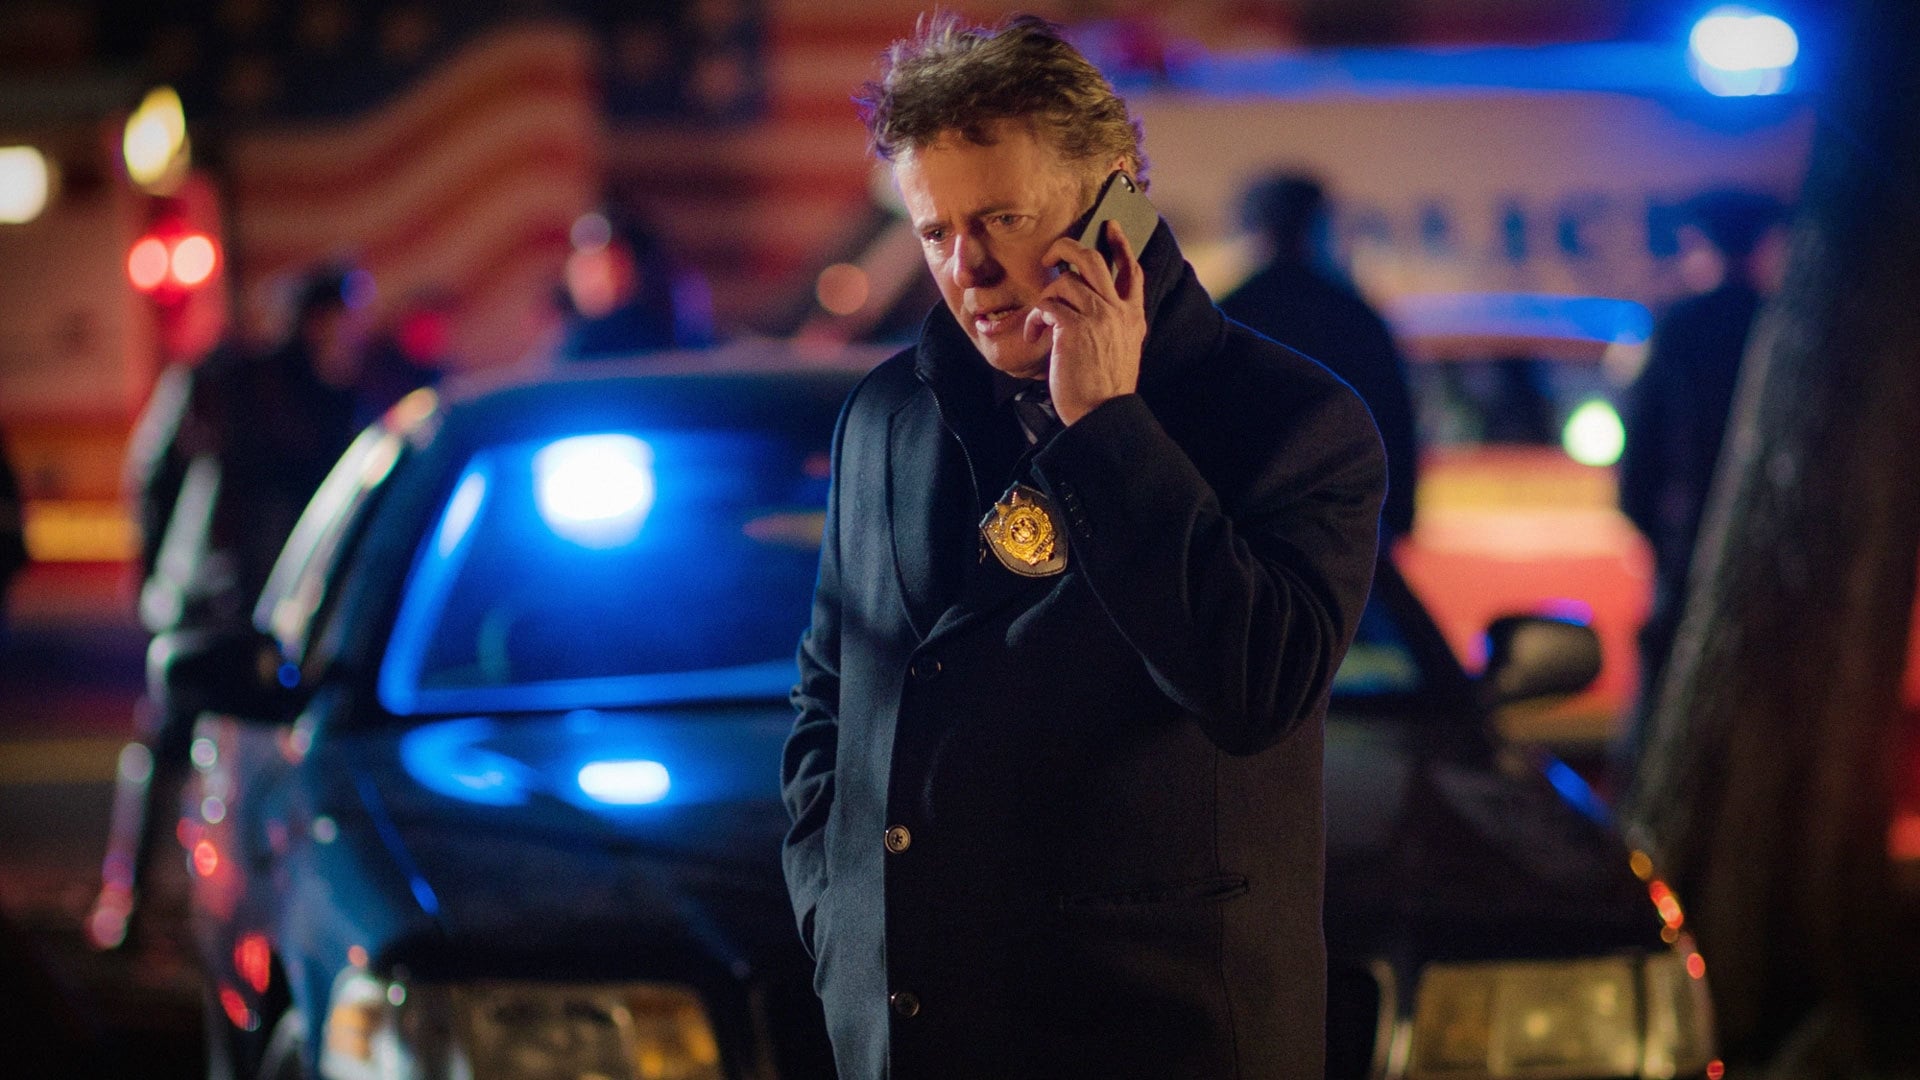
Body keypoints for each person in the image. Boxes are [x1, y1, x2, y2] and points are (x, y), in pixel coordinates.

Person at [779, 15, 1386, 1078]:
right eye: (935, 232)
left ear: (1117, 204)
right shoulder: (885, 415)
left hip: (1154, 1039)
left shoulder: (1291, 420)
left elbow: (1257, 687)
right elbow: (834, 691)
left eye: (1001, 219)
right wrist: (841, 926)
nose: (967, 268)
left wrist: (1107, 427)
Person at [90, 267, 370, 949]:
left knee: (238, 754)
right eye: (339, 320)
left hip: (269, 600)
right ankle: (129, 894)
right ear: (313, 319)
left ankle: (179, 901)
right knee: (171, 740)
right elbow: (155, 474)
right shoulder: (230, 382)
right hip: (214, 596)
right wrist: (154, 572)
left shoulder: (327, 395)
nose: (348, 336)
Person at [1615, 188, 1788, 789]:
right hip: (1771, 548)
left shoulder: (1682, 327)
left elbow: (1643, 453)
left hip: (1688, 539)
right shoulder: (1779, 324)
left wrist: (1656, 530)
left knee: (1667, 693)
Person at [1220, 174, 1418, 540]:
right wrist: (1398, 512)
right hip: (1347, 517)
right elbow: (1392, 415)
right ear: (1319, 224)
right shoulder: (1353, 315)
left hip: (1247, 519)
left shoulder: (1234, 313)